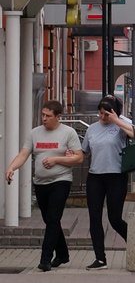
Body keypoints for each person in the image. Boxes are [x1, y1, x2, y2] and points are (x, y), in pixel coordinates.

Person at [5, 101, 83, 271]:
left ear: (58, 117)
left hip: (61, 180)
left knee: (53, 218)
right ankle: (63, 254)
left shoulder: (68, 133)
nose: (44, 118)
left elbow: (78, 158)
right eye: (43, 115)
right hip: (40, 183)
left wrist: (57, 159)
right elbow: (23, 154)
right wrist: (12, 168)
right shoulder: (35, 133)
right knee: (50, 220)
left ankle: (45, 259)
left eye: (48, 116)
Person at [81, 97, 135, 270]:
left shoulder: (121, 122)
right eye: (100, 113)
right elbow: (85, 152)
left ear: (113, 112)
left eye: (106, 114)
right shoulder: (92, 129)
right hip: (95, 176)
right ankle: (100, 258)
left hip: (116, 176)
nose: (103, 117)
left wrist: (116, 121)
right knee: (94, 217)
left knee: (114, 218)